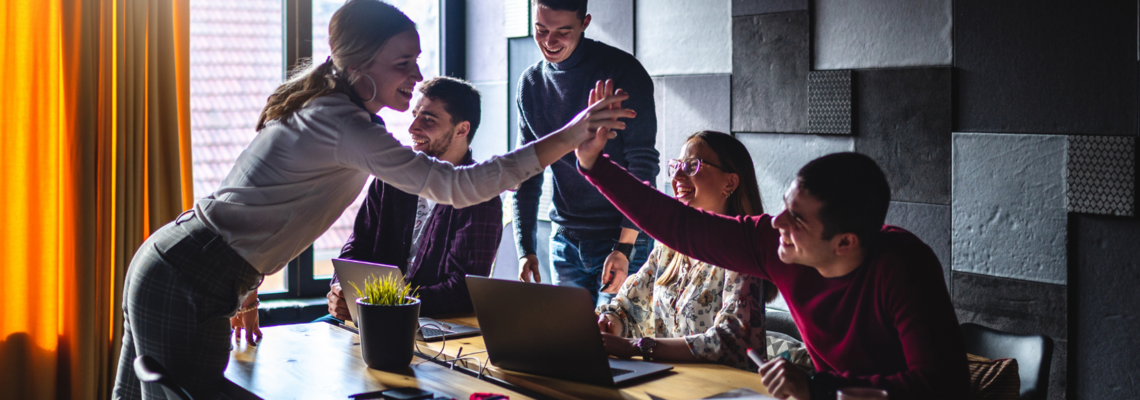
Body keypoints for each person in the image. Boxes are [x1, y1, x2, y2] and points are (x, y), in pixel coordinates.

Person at [111, 0, 636, 398]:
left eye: (416, 61)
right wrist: (569, 136)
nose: (414, 76)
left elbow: (250, 191)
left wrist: (245, 287)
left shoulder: (327, 106)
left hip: (179, 262)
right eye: (402, 63)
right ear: (361, 63)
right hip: (189, 276)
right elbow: (457, 187)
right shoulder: (347, 124)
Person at [575, 128, 969, 399]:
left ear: (844, 243)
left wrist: (819, 390)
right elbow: (680, 225)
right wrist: (595, 164)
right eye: (785, 206)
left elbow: (943, 387)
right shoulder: (773, 242)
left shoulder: (904, 267)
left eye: (797, 219)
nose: (777, 222)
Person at [514, 0, 660, 306]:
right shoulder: (530, 84)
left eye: (562, 31)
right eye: (540, 29)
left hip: (623, 238)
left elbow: (642, 167)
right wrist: (524, 247)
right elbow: (526, 170)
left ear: (585, 23)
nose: (549, 42)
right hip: (565, 240)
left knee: (620, 345)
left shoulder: (622, 72)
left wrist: (625, 247)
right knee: (569, 345)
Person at [595, 131, 778, 371]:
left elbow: (733, 342)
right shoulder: (669, 246)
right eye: (676, 166)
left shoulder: (742, 252)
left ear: (730, 182)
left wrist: (636, 347)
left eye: (693, 166)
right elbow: (629, 309)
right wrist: (610, 323)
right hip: (667, 382)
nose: (677, 177)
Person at [325, 76, 502, 320]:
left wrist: (383, 302)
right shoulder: (391, 178)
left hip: (432, 330)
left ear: (462, 129)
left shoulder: (480, 196)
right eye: (415, 115)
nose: (412, 128)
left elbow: (463, 290)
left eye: (428, 119)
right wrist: (340, 288)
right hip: (367, 317)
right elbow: (357, 246)